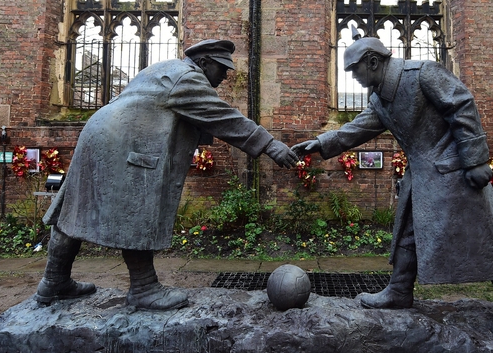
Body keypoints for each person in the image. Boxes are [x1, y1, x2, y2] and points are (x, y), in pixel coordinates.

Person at [292, 31, 493, 337]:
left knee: (487, 234)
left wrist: (475, 160)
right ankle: (399, 290)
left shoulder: (423, 74)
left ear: (373, 61)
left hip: (454, 170)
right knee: (409, 232)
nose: (354, 78)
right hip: (422, 173)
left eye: (355, 71)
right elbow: (357, 129)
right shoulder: (380, 99)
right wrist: (320, 144)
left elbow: (461, 105)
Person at [36, 39, 298, 310]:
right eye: (222, 69)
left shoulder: (166, 69)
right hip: (123, 142)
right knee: (137, 211)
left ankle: (54, 281)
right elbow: (223, 118)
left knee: (75, 209)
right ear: (205, 63)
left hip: (97, 135)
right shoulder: (188, 77)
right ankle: (144, 288)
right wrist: (269, 144)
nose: (224, 76)